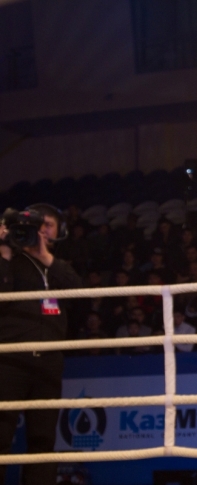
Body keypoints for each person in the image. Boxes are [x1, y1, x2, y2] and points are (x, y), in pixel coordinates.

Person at [0, 203, 82, 485]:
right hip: (9, 360)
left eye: (50, 225)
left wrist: (44, 255)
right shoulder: (10, 259)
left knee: (43, 440)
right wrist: (4, 251)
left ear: (60, 232)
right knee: (0, 436)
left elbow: (79, 294)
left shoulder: (58, 267)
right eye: (39, 225)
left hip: (48, 362)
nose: (44, 230)